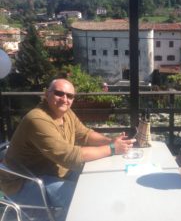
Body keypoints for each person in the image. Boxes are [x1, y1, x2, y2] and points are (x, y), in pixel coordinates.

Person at [0, 78, 135, 220]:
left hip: (53, 172)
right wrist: (112, 148)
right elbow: (70, 156)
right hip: (25, 182)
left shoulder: (66, 113)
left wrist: (111, 140)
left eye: (70, 96)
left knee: (98, 184)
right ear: (47, 94)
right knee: (83, 202)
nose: (65, 99)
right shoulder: (37, 119)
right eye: (59, 93)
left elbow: (85, 134)